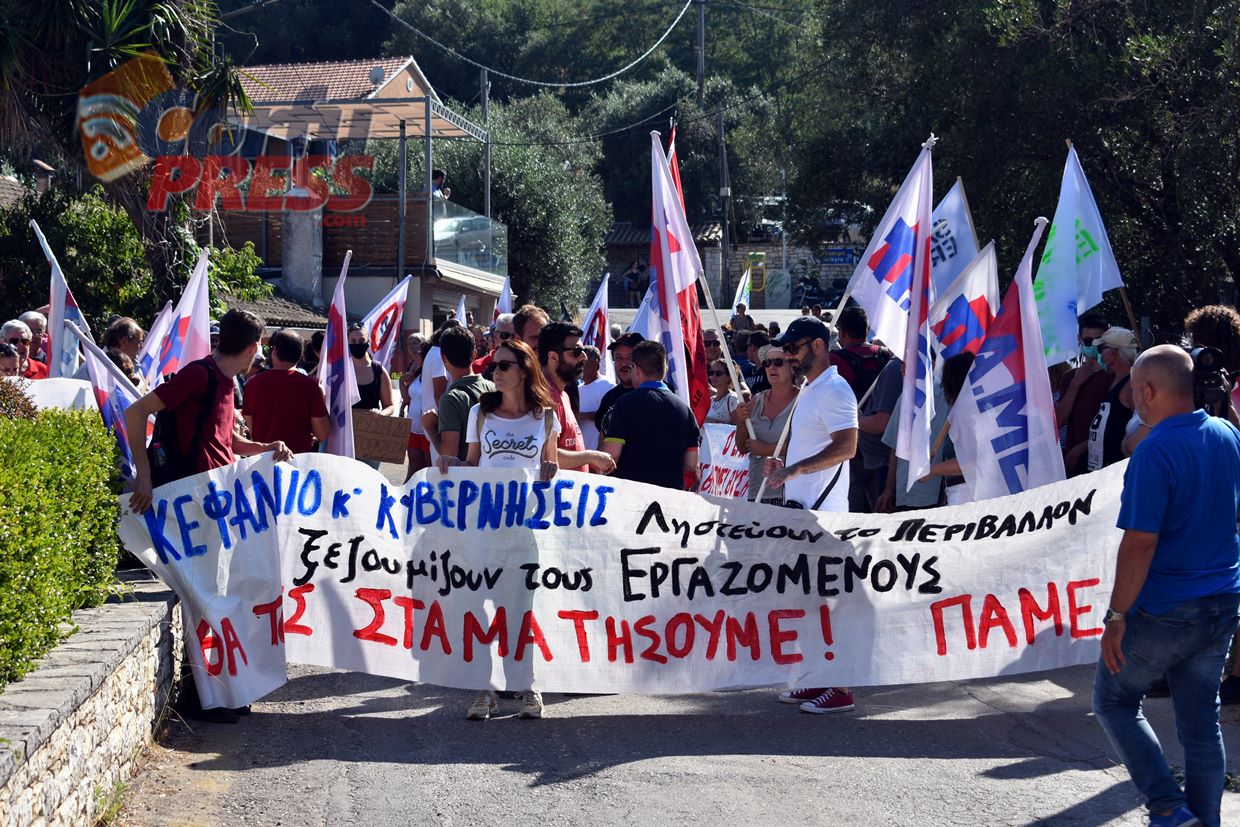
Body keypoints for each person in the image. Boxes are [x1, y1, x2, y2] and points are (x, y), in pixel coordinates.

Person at [1092, 345, 1240, 827]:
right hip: (1222, 600)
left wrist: (1116, 617)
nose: (1132, 399)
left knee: (1113, 700)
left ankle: (1168, 807)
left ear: (1148, 391)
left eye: (1135, 390)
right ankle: (1203, 820)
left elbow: (1140, 543)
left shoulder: (1154, 451)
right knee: (1201, 723)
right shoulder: (1228, 433)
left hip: (1167, 607)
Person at [124, 310, 293, 724]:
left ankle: (218, 691)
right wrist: (144, 477)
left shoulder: (226, 381)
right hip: (190, 502)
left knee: (216, 593)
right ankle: (199, 698)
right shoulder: (199, 376)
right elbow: (135, 413)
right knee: (204, 596)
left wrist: (264, 447)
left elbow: (224, 439)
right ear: (253, 347)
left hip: (214, 503)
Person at [443, 338, 558, 721]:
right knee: (479, 607)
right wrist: (449, 463)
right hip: (484, 527)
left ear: (525, 370)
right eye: (494, 365)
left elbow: (550, 470)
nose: (496, 371)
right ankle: (484, 690)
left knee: (521, 610)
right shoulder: (480, 412)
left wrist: (553, 470)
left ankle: (527, 686)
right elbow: (473, 464)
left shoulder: (545, 417)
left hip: (526, 529)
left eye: (505, 365)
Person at [763, 316, 859, 715]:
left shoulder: (834, 389)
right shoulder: (813, 389)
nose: (788, 355)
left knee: (828, 603)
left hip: (825, 517)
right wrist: (785, 465)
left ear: (818, 346)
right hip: (804, 514)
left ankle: (841, 687)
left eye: (793, 347)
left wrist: (797, 469)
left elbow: (847, 446)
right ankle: (818, 677)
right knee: (809, 602)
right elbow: (815, 446)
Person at [603, 340, 700, 490]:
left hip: (631, 494)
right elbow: (691, 463)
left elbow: (611, 456)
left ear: (636, 369)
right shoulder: (685, 409)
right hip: (670, 495)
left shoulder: (624, 403)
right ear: (665, 369)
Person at [830, 306, 898, 513]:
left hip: (852, 448)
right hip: (888, 450)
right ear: (867, 329)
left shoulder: (835, 361)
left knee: (856, 517)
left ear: (842, 331)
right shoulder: (887, 357)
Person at [538, 321, 615, 474]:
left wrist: (588, 461)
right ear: (553, 357)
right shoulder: (543, 396)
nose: (584, 357)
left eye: (583, 350)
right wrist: (590, 457)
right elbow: (544, 456)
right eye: (576, 351)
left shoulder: (563, 394)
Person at [242, 329, 329, 455]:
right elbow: (323, 434)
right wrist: (322, 397)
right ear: (300, 354)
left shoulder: (252, 384)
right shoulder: (310, 386)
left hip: (263, 459)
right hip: (297, 460)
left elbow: (252, 429)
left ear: (274, 351)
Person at [733, 345, 798, 504]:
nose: (771, 367)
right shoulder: (756, 400)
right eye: (767, 363)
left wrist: (767, 449)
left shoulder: (802, 401)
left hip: (791, 494)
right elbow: (742, 448)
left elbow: (807, 444)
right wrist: (741, 420)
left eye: (778, 362)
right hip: (757, 492)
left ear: (792, 367)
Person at [1055, 314, 1111, 476]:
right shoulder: (1069, 377)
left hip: (1104, 462)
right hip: (1074, 465)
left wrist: (1080, 449)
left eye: (1098, 341)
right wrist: (1075, 385)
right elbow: (1058, 421)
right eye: (1088, 341)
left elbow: (1112, 425)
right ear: (1079, 340)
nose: (1093, 345)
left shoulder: (1113, 375)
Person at [433, 325, 494, 464]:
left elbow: (449, 455)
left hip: (467, 476)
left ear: (443, 358)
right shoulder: (494, 388)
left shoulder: (451, 399)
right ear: (474, 354)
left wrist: (430, 428)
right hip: (492, 472)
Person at [1084, 327, 1138, 472]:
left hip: (1117, 470)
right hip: (1104, 468)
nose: (1099, 354)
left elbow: (1139, 425)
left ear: (1113, 352)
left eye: (1101, 349)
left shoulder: (1132, 385)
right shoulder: (1115, 379)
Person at [594, 332, 642, 448]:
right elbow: (602, 441)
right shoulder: (609, 398)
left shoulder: (660, 395)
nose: (624, 363)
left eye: (630, 357)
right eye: (619, 358)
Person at [399, 332, 430, 480]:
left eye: (416, 341)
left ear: (425, 344)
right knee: (415, 469)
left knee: (428, 471)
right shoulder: (413, 367)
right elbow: (407, 398)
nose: (412, 345)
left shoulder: (431, 366)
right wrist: (401, 381)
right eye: (409, 342)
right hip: (412, 428)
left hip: (428, 431)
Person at [577, 345, 615, 449]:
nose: (580, 366)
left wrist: (584, 416)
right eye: (579, 361)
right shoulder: (578, 389)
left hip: (598, 451)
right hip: (581, 451)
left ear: (596, 364)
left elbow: (611, 417)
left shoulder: (608, 386)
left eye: (584, 362)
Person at [705, 358, 740, 424]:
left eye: (719, 373)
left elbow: (738, 426)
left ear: (729, 376)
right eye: (711, 373)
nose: (713, 376)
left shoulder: (733, 398)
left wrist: (713, 422)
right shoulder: (711, 399)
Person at [744, 330, 772, 394]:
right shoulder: (750, 371)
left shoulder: (769, 371)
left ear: (753, 347)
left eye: (748, 345)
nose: (746, 350)